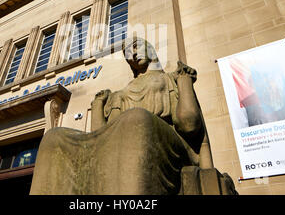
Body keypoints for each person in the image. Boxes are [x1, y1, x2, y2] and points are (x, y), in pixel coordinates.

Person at [30, 37, 213, 194]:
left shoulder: (171, 78)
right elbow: (104, 137)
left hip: (168, 142)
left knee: (136, 119)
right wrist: (97, 106)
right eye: (127, 54)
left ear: (150, 48)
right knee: (54, 138)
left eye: (135, 46)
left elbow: (189, 125)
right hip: (130, 133)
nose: (132, 55)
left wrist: (184, 82)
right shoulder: (120, 95)